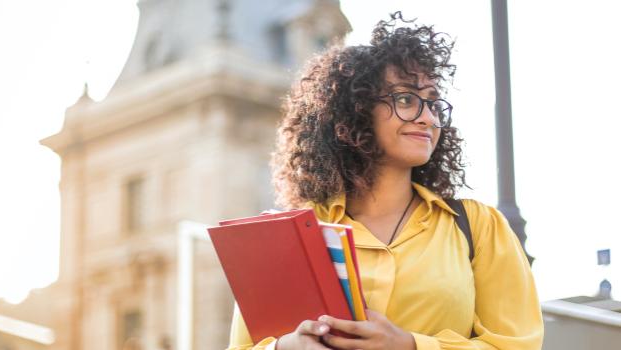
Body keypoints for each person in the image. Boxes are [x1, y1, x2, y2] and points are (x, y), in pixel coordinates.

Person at [226, 12, 543, 350]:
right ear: (356, 110)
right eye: (406, 99)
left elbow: (516, 344)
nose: (427, 117)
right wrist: (285, 347)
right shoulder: (290, 235)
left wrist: (411, 346)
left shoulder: (478, 227)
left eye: (434, 103)